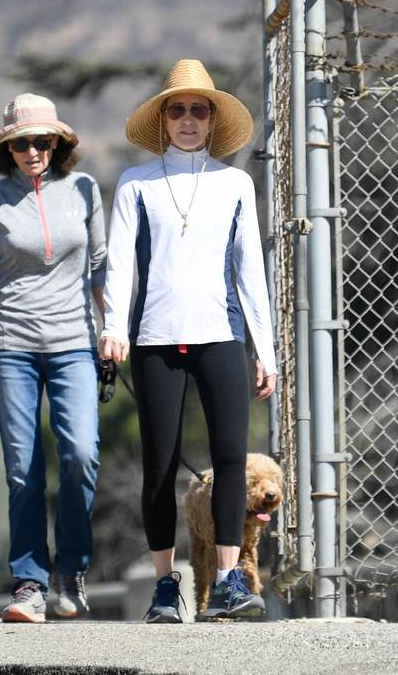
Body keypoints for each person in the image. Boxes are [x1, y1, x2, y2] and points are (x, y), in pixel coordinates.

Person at [99, 59, 277, 622]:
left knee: (228, 459)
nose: (188, 119)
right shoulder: (136, 184)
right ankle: (164, 586)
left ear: (213, 119)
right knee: (159, 464)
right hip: (154, 339)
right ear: (162, 118)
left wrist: (265, 351)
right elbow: (120, 265)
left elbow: (251, 271)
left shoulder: (235, 183)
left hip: (220, 335)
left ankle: (226, 581)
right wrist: (113, 329)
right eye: (177, 109)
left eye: (199, 109)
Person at [0, 93, 106, 622]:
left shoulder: (83, 190)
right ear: (8, 149)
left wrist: (111, 331)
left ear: (58, 144)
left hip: (74, 345)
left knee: (81, 455)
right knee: (23, 470)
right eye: (21, 142)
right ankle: (29, 584)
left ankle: (71, 571)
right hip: (12, 346)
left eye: (42, 141)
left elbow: (102, 267)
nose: (33, 150)